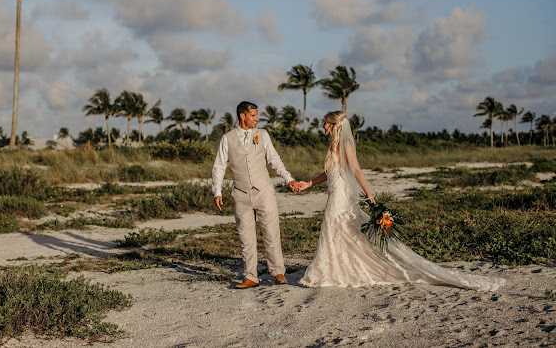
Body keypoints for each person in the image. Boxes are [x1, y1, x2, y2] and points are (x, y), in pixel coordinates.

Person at [296, 111, 505, 291]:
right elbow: (330, 172)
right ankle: (336, 270)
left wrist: (369, 196)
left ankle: (335, 271)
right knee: (338, 231)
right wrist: (309, 183)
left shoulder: (346, 145)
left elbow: (356, 170)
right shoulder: (333, 147)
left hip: (340, 196)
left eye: (325, 122)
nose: (322, 126)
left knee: (337, 228)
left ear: (333, 124)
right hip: (334, 194)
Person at [212, 101, 299, 289]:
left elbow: (274, 159)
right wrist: (217, 191)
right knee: (246, 237)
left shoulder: (263, 135)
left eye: (257, 115)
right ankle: (251, 276)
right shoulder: (227, 138)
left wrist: (288, 178)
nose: (257, 119)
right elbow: (219, 166)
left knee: (271, 232)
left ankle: (278, 273)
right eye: (253, 116)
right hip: (240, 194)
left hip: (264, 192)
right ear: (242, 116)